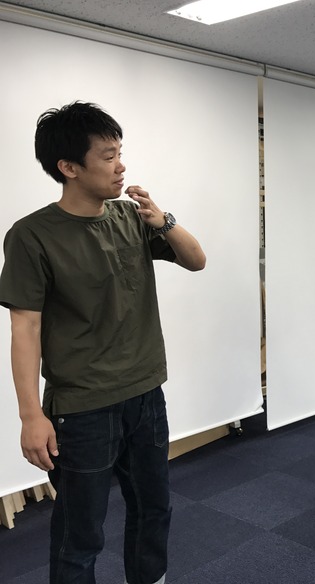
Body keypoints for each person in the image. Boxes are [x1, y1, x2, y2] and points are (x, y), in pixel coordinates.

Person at [0, 101, 206, 584]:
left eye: (120, 153)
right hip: (82, 408)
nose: (121, 166)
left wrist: (162, 219)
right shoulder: (31, 236)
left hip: (146, 393)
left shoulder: (131, 217)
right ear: (69, 167)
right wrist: (31, 416)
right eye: (108, 156)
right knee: (81, 534)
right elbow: (24, 329)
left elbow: (196, 260)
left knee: (154, 509)